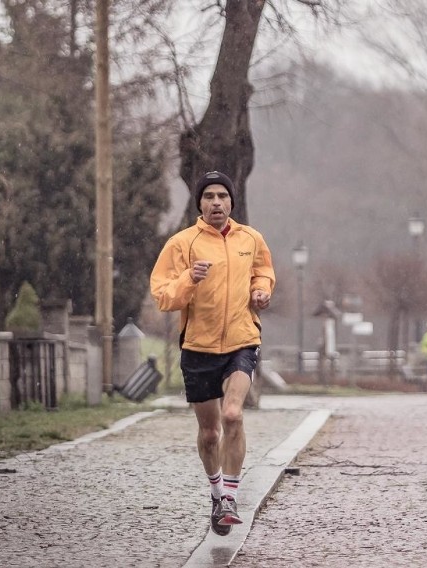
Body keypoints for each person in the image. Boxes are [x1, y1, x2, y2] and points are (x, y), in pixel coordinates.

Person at [150, 170, 275, 536]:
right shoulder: (181, 244)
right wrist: (190, 277)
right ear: (199, 203)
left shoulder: (251, 239)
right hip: (198, 347)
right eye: (209, 197)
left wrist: (261, 292)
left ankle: (231, 499)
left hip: (241, 340)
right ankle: (217, 493)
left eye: (222, 196)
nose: (216, 202)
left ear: (231, 202)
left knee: (233, 414)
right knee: (209, 433)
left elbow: (263, 272)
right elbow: (163, 296)